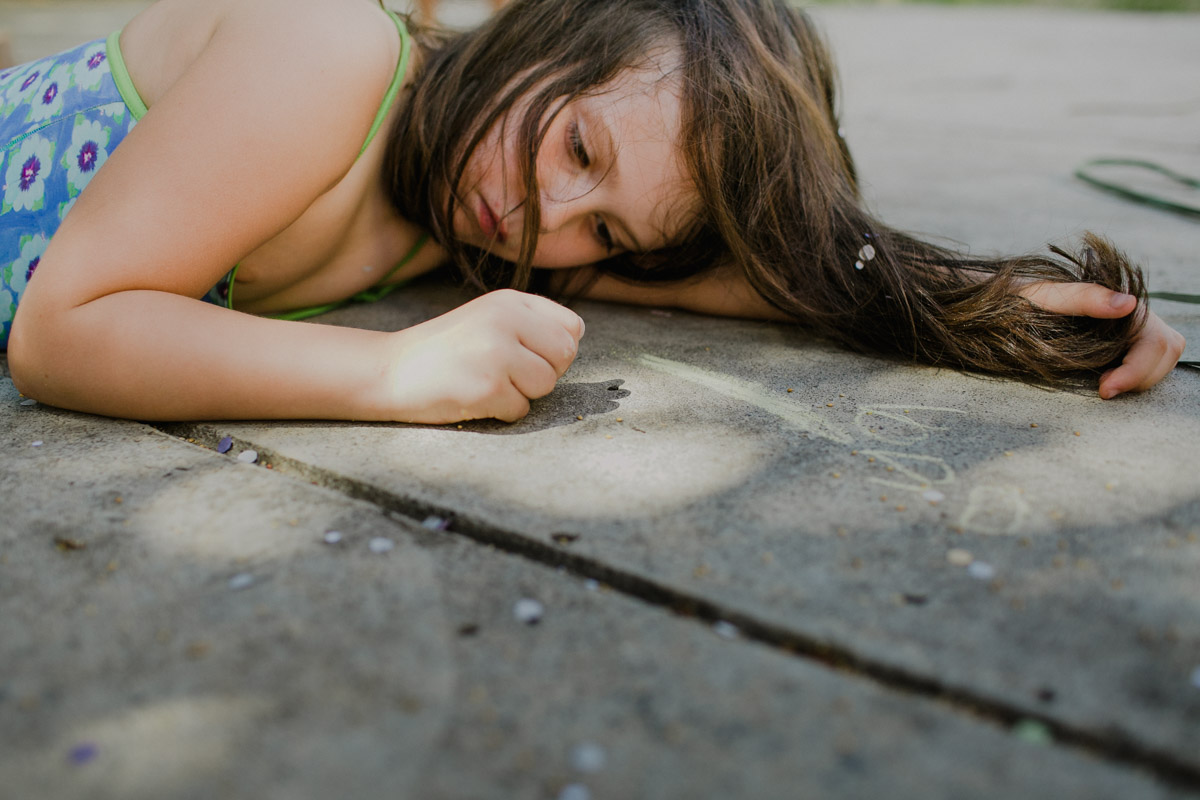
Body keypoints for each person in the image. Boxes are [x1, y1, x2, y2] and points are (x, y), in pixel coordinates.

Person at [1, 0, 1185, 425]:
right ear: (548, 21)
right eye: (578, 142)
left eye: (607, 232)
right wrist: (390, 374)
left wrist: (984, 308)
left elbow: (766, 273)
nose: (548, 217)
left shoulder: (478, 218)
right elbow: (62, 331)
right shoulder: (327, 53)